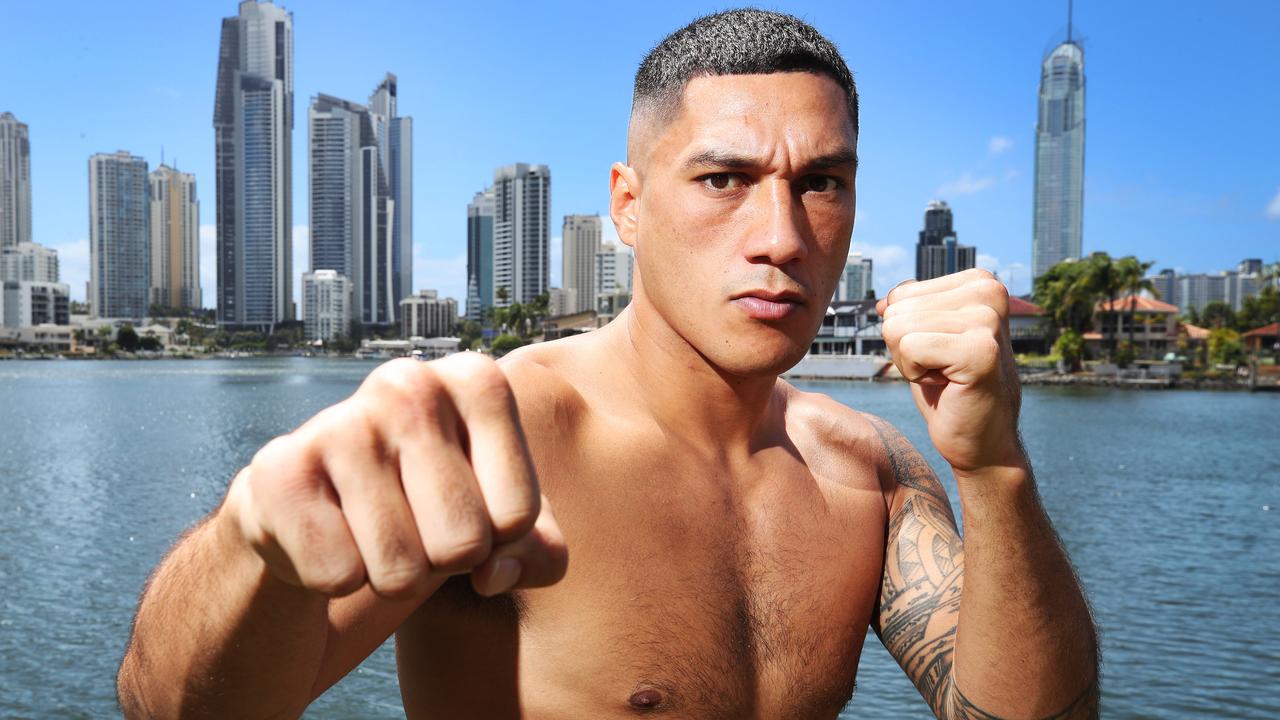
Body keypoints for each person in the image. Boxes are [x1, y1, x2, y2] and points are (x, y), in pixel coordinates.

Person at [118, 9, 1097, 719]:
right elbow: (166, 707)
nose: (780, 236)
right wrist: (255, 542)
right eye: (723, 179)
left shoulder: (869, 468)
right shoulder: (501, 439)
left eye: (820, 184)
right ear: (627, 205)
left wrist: (995, 469)